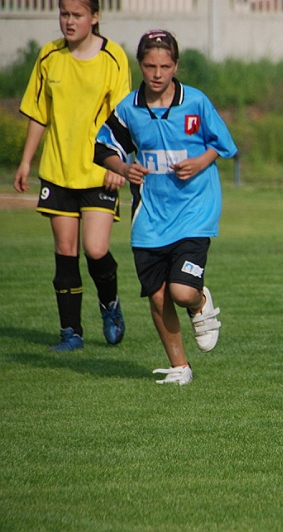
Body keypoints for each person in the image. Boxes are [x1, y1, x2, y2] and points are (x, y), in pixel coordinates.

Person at [94, 30, 237, 385]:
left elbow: (222, 143)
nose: (157, 74)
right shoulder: (129, 109)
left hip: (194, 211)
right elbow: (103, 148)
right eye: (149, 66)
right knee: (158, 297)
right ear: (140, 65)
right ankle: (180, 368)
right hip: (150, 218)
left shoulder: (195, 102)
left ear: (176, 65)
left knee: (181, 292)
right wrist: (123, 168)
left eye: (165, 66)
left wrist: (200, 162)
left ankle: (199, 302)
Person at [14, 0, 131, 351]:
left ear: (94, 17)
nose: (69, 21)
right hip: (58, 171)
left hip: (99, 172)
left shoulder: (113, 57)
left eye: (77, 15)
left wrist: (118, 163)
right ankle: (71, 333)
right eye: (64, 14)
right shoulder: (49, 55)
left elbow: (124, 118)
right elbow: (39, 113)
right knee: (65, 251)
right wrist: (26, 161)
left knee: (95, 249)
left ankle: (110, 305)